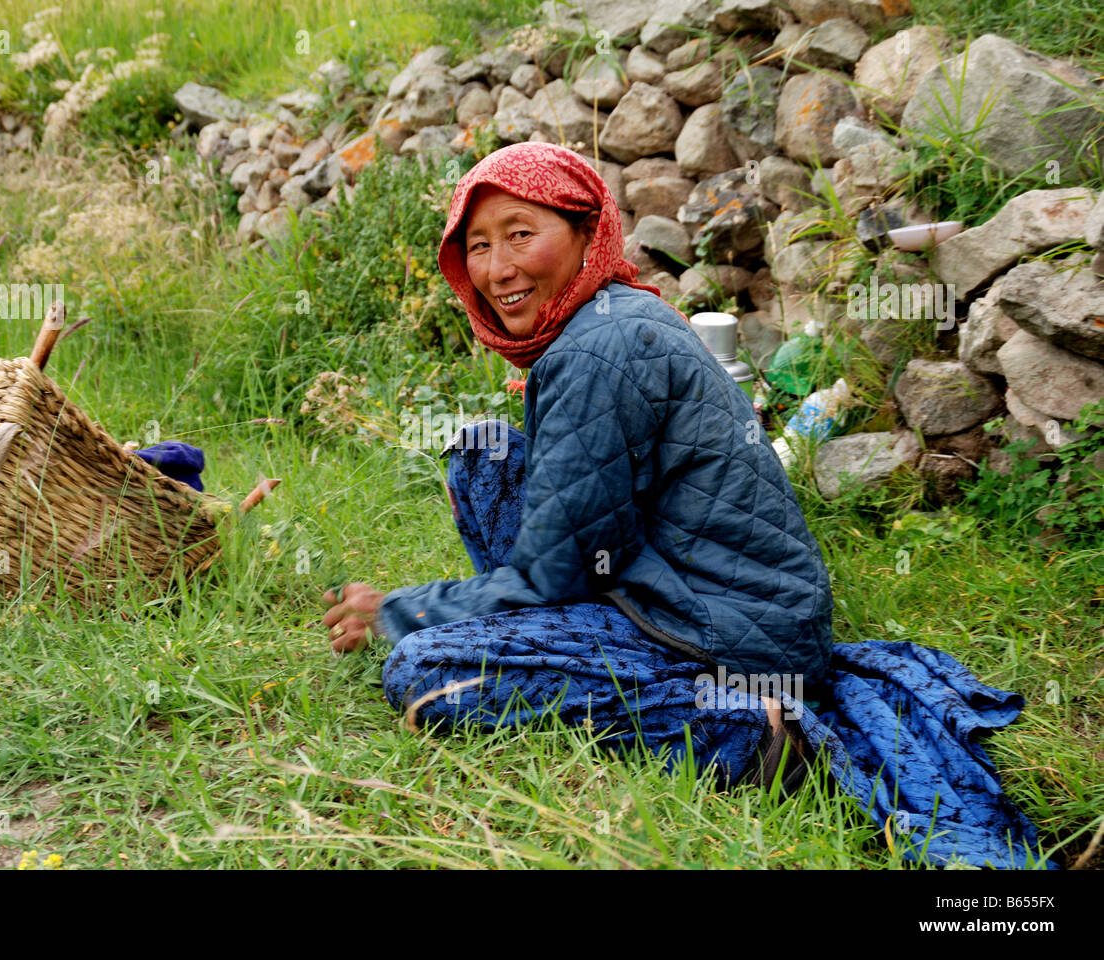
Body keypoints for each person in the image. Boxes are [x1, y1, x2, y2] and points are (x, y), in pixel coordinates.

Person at [321, 142, 1051, 868]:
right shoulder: (605, 319)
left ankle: (755, 731)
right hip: (672, 580)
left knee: (422, 673)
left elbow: (554, 573)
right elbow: (573, 532)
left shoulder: (598, 349)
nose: (497, 269)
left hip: (729, 629)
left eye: (520, 233)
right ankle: (558, 643)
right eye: (477, 246)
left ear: (586, 233)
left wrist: (402, 610)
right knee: (483, 455)